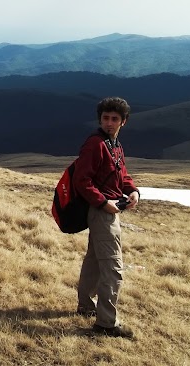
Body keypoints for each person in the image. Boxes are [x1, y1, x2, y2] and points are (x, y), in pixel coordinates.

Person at [73, 97, 140, 338]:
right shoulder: (96, 144)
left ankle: (85, 305)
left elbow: (121, 174)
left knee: (94, 259)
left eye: (114, 119)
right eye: (105, 118)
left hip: (107, 208)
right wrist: (103, 202)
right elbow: (82, 180)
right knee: (113, 267)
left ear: (124, 121)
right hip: (102, 211)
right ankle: (106, 323)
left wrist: (132, 190)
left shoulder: (114, 144)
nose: (109, 123)